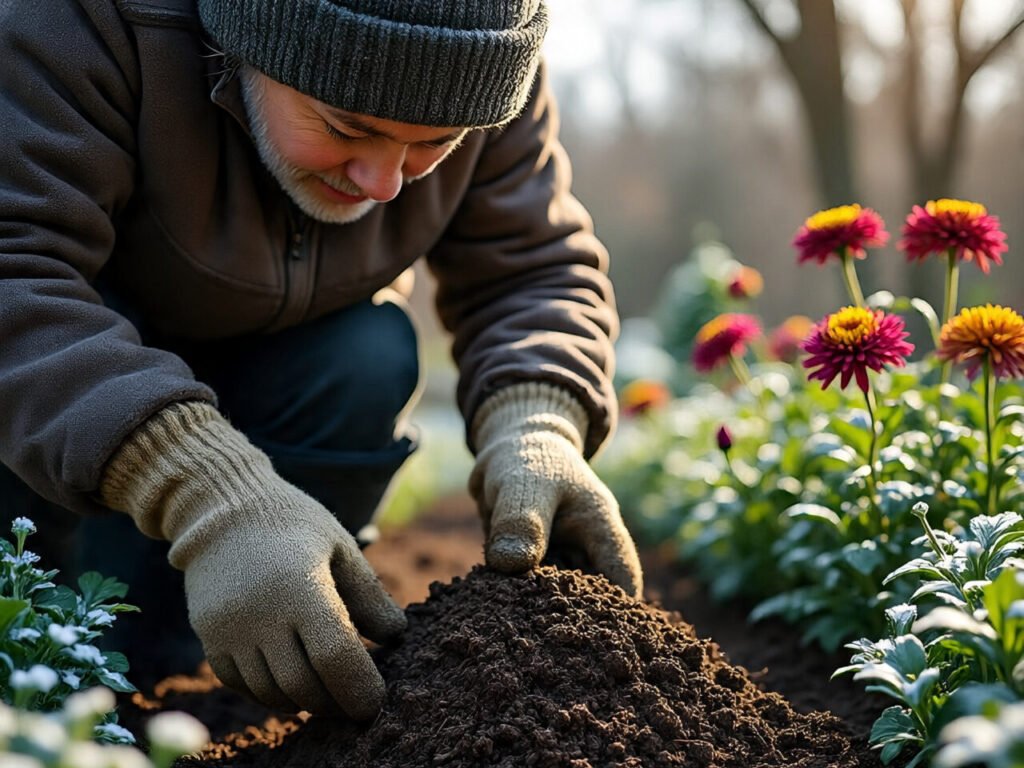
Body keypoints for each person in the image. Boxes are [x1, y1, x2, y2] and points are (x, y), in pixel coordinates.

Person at [0, 0, 644, 720]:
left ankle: (215, 675)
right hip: (63, 382)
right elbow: (15, 275)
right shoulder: (79, 23)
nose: (384, 183)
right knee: (34, 644)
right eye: (347, 127)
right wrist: (211, 493)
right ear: (247, 40)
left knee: (365, 356)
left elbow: (528, 266)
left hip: (285, 366)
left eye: (435, 142)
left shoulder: (482, 58)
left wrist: (538, 417)